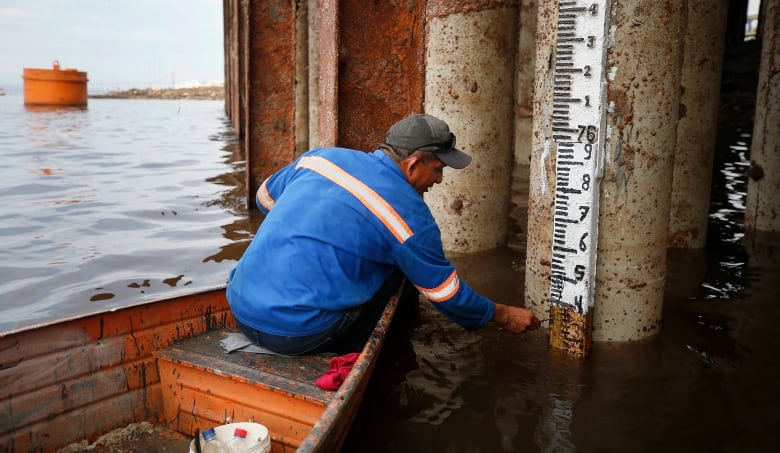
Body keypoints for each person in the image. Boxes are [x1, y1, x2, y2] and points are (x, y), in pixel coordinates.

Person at [226, 113, 541, 355]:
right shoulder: (412, 221)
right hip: (297, 335)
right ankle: (374, 352)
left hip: (239, 306)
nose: (440, 180)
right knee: (400, 272)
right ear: (413, 163)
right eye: (439, 169)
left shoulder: (320, 158)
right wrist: (502, 314)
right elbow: (446, 295)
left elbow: (264, 198)